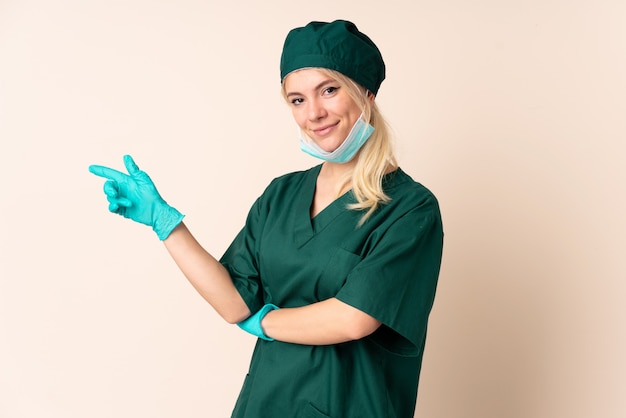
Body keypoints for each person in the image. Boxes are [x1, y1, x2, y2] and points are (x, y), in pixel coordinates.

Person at [89, 19, 444, 418]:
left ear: (366, 92)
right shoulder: (281, 194)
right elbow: (234, 303)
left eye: (328, 90)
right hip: (265, 403)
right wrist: (166, 223)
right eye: (297, 100)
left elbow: (354, 317)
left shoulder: (410, 208)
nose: (314, 113)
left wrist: (267, 323)